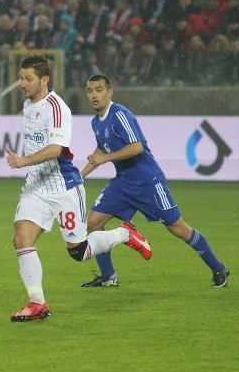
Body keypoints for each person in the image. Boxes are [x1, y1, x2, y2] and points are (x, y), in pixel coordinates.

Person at [4, 55, 153, 321]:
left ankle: (124, 234)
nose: (22, 84)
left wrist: (23, 160)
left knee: (79, 252)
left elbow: (56, 149)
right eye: (21, 78)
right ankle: (37, 303)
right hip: (36, 187)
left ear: (44, 80)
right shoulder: (28, 106)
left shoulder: (57, 107)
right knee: (21, 239)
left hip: (64, 186)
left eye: (28, 79)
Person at [79, 74, 230, 287]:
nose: (94, 95)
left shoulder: (121, 115)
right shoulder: (96, 122)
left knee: (178, 228)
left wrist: (105, 158)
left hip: (148, 183)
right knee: (93, 222)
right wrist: (81, 175)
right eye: (90, 91)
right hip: (123, 184)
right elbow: (102, 148)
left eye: (99, 89)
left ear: (109, 92)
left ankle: (219, 268)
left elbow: (136, 147)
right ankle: (108, 276)